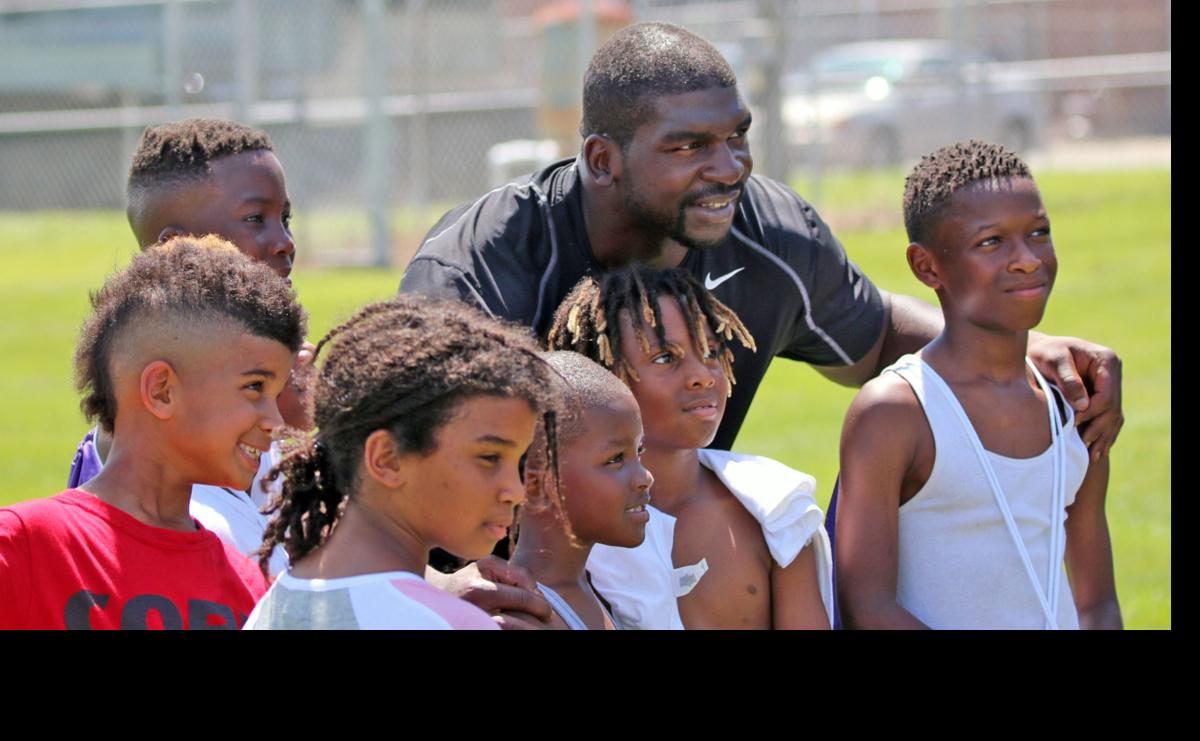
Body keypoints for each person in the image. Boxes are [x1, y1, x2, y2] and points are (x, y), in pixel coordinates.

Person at [398, 21, 1122, 458]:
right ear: (601, 161)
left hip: (677, 563)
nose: (729, 168)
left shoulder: (768, 230)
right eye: (689, 148)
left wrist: (1025, 353)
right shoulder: (483, 263)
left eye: (738, 137)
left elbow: (875, 339)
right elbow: (406, 442)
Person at [835, 141, 1119, 630]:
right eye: (992, 242)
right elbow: (869, 608)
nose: (1028, 259)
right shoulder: (896, 411)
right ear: (927, 267)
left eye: (1039, 233)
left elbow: (1096, 603)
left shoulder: (1073, 401)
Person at [0, 236, 303, 629]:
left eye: (277, 394)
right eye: (255, 388)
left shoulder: (252, 589)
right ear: (162, 390)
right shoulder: (25, 547)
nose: (274, 422)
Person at [64, 118, 311, 577]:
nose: (285, 242)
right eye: (256, 219)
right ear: (176, 247)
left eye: (285, 218)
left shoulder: (269, 403)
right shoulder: (164, 455)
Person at [245, 297, 560, 630]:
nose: (516, 491)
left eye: (517, 462)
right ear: (387, 459)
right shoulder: (449, 623)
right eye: (490, 458)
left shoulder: (273, 606)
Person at [546, 266, 831, 629]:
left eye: (711, 351)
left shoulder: (775, 508)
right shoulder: (573, 528)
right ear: (604, 375)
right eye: (666, 357)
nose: (702, 374)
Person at [508, 351, 654, 630]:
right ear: (538, 485)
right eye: (615, 459)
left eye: (639, 451)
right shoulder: (525, 619)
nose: (645, 477)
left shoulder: (592, 590)